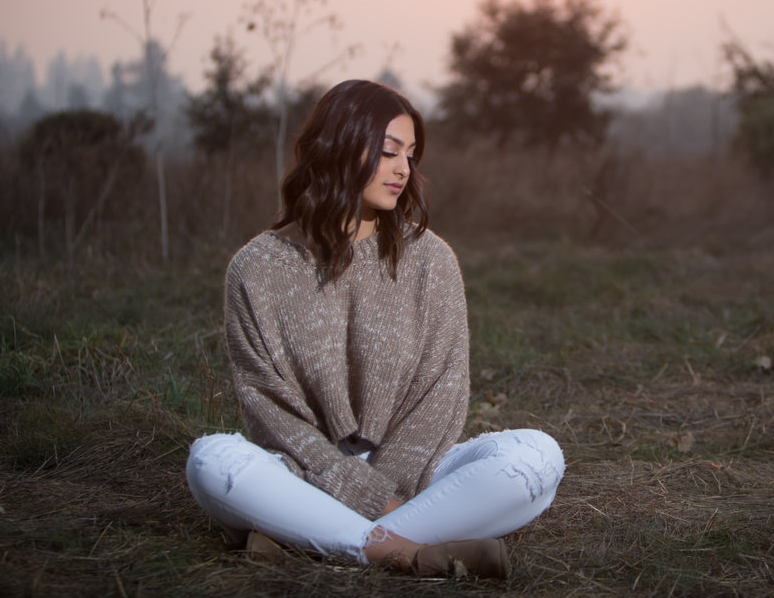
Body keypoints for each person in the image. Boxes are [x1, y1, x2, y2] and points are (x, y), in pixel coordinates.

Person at [185, 79, 564, 579]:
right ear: (336, 147)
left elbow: (441, 393)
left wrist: (386, 492)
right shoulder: (256, 269)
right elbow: (270, 412)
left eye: (410, 154)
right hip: (306, 471)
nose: (404, 169)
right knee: (212, 461)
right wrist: (358, 490)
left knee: (537, 457)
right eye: (388, 152)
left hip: (416, 471)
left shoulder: (430, 259)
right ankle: (411, 551)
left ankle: (314, 538)